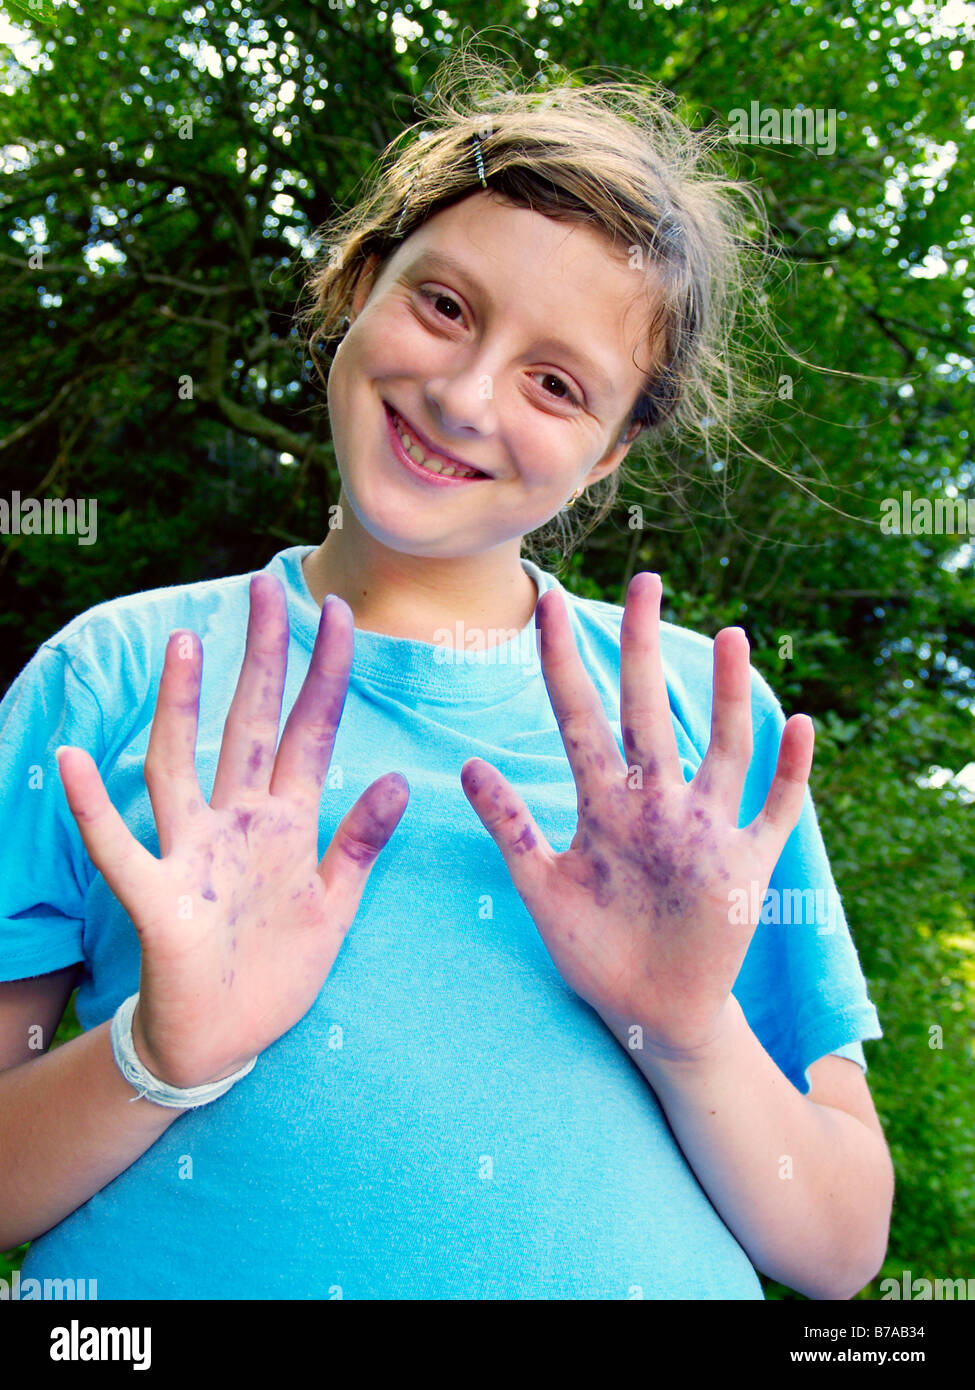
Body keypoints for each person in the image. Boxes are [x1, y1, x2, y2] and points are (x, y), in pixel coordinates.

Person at [0, 54, 893, 1300]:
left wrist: (690, 1035)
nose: (468, 396)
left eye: (557, 383)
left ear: (608, 457)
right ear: (361, 283)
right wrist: (159, 1051)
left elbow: (842, 1253)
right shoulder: (106, 681)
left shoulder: (696, 735)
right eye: (446, 307)